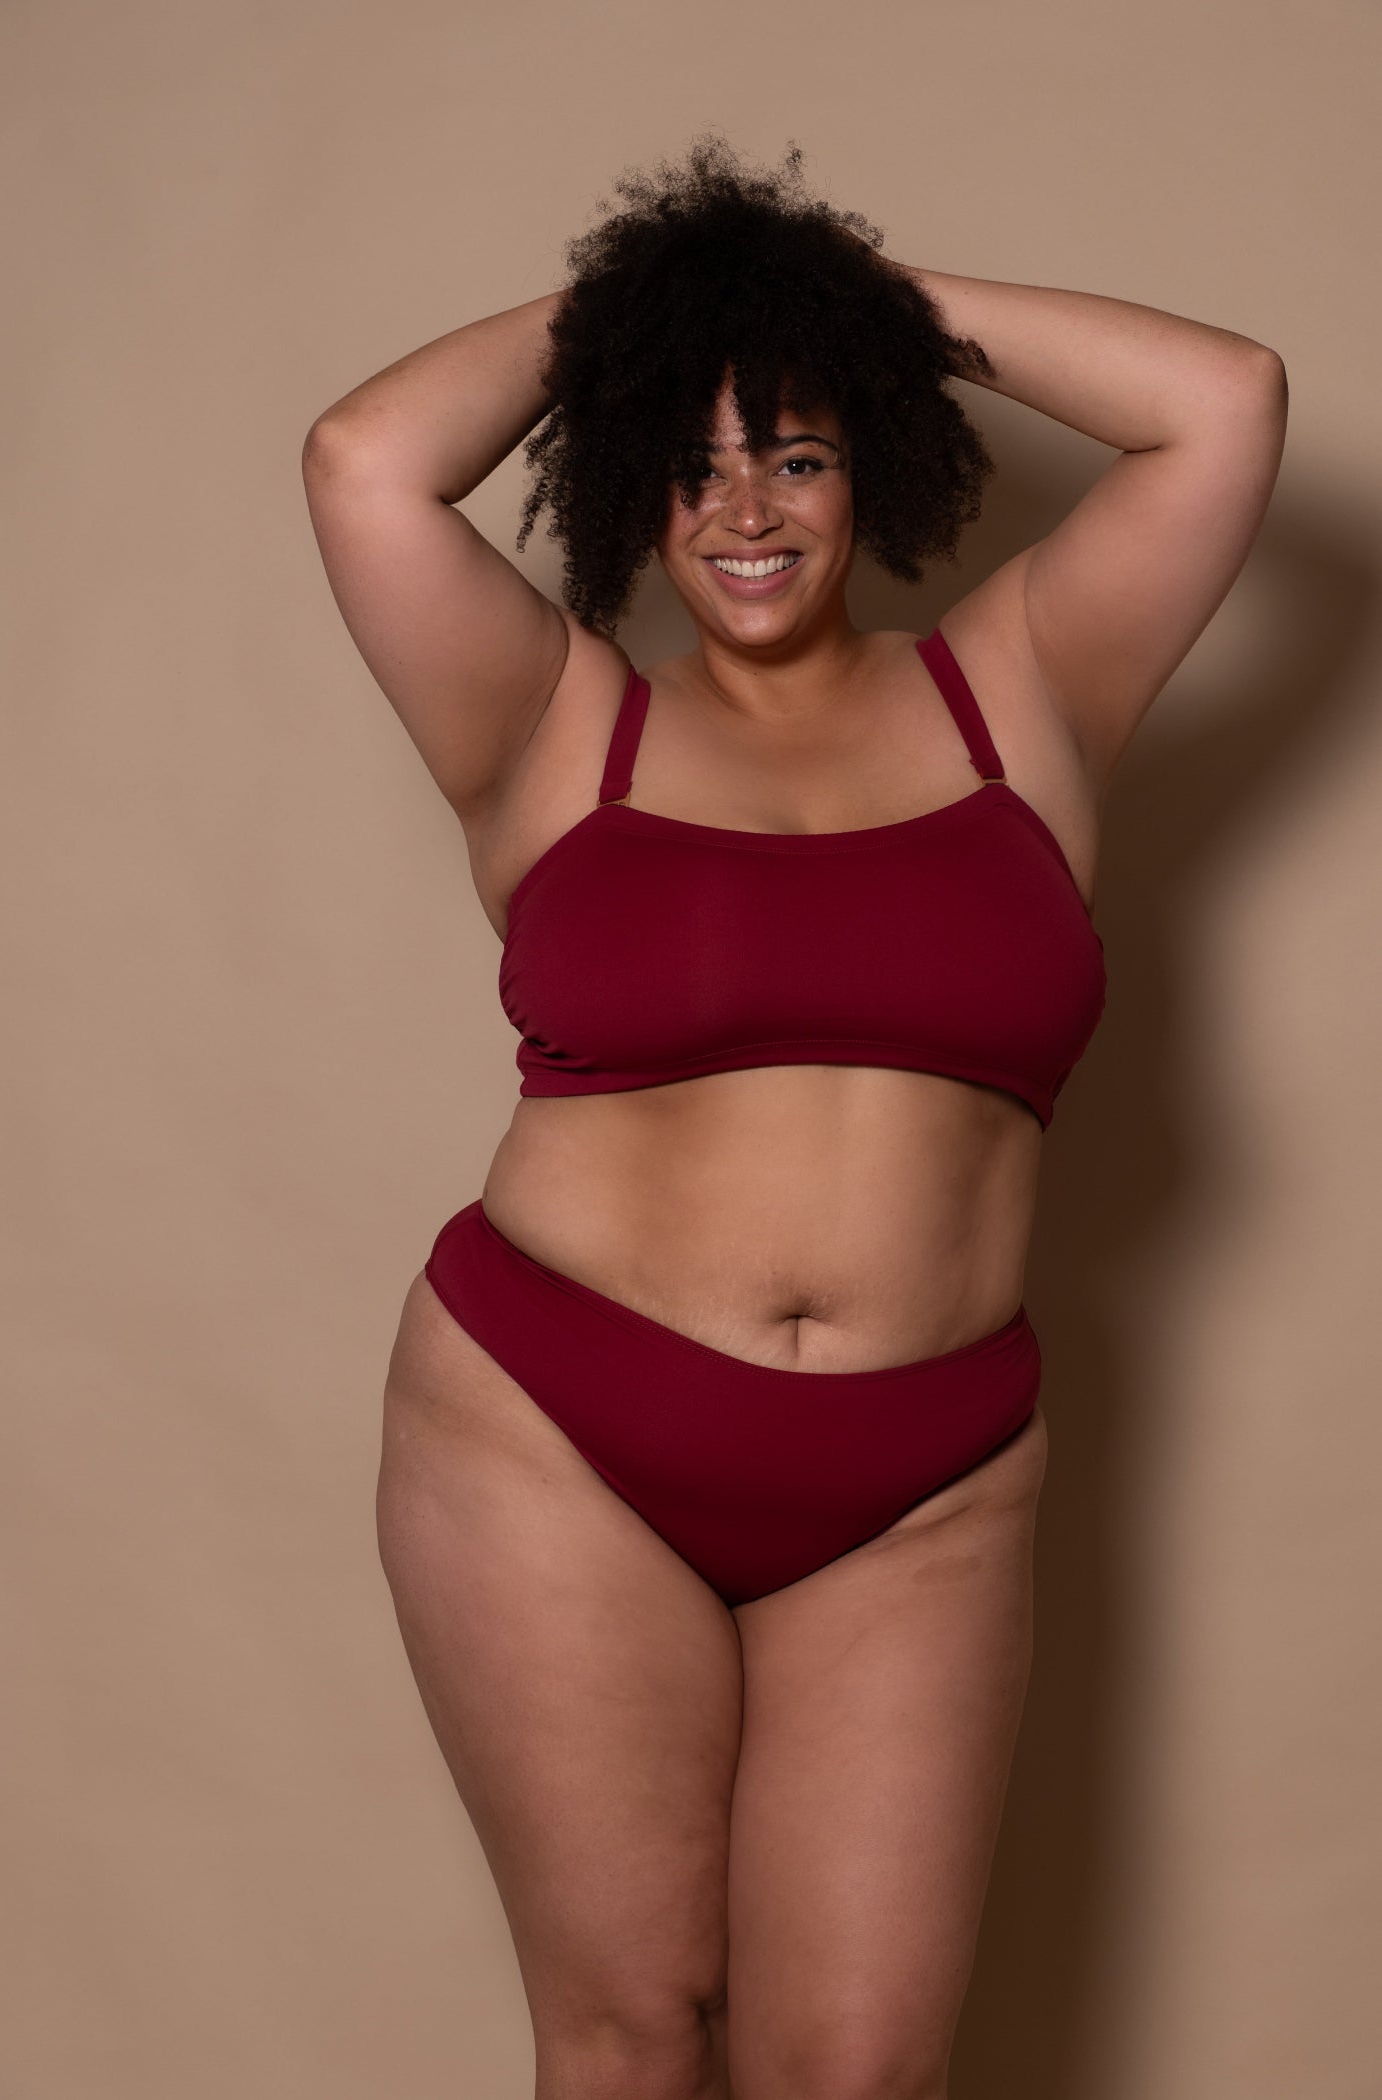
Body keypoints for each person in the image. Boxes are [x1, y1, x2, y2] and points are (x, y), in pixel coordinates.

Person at [301, 137, 1286, 2100]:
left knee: (861, 2070)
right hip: (556, 1428)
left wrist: (831, 304)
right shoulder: (556, 717)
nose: (745, 506)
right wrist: (674, 311)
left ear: (875, 472)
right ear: (632, 489)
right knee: (632, 2028)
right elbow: (363, 463)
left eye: (800, 451)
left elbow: (1227, 406)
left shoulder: (1029, 688)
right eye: (695, 458)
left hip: (927, 1474)